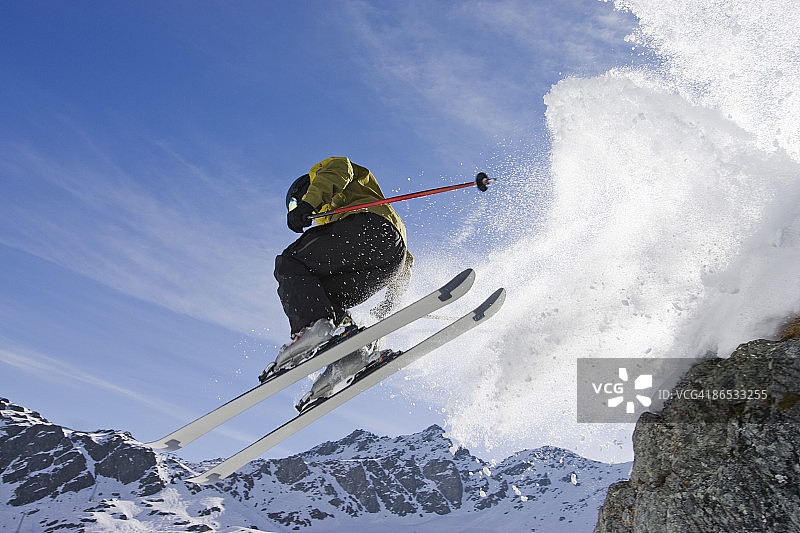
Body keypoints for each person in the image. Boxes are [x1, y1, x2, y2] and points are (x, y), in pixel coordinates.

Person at [264, 157, 413, 410]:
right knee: (323, 295)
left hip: (368, 230)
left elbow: (340, 169)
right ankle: (352, 355)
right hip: (389, 261)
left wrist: (307, 203)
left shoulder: (321, 175)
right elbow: (405, 260)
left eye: (293, 204)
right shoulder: (334, 226)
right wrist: (393, 298)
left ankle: (313, 328)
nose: (294, 209)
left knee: (289, 263)